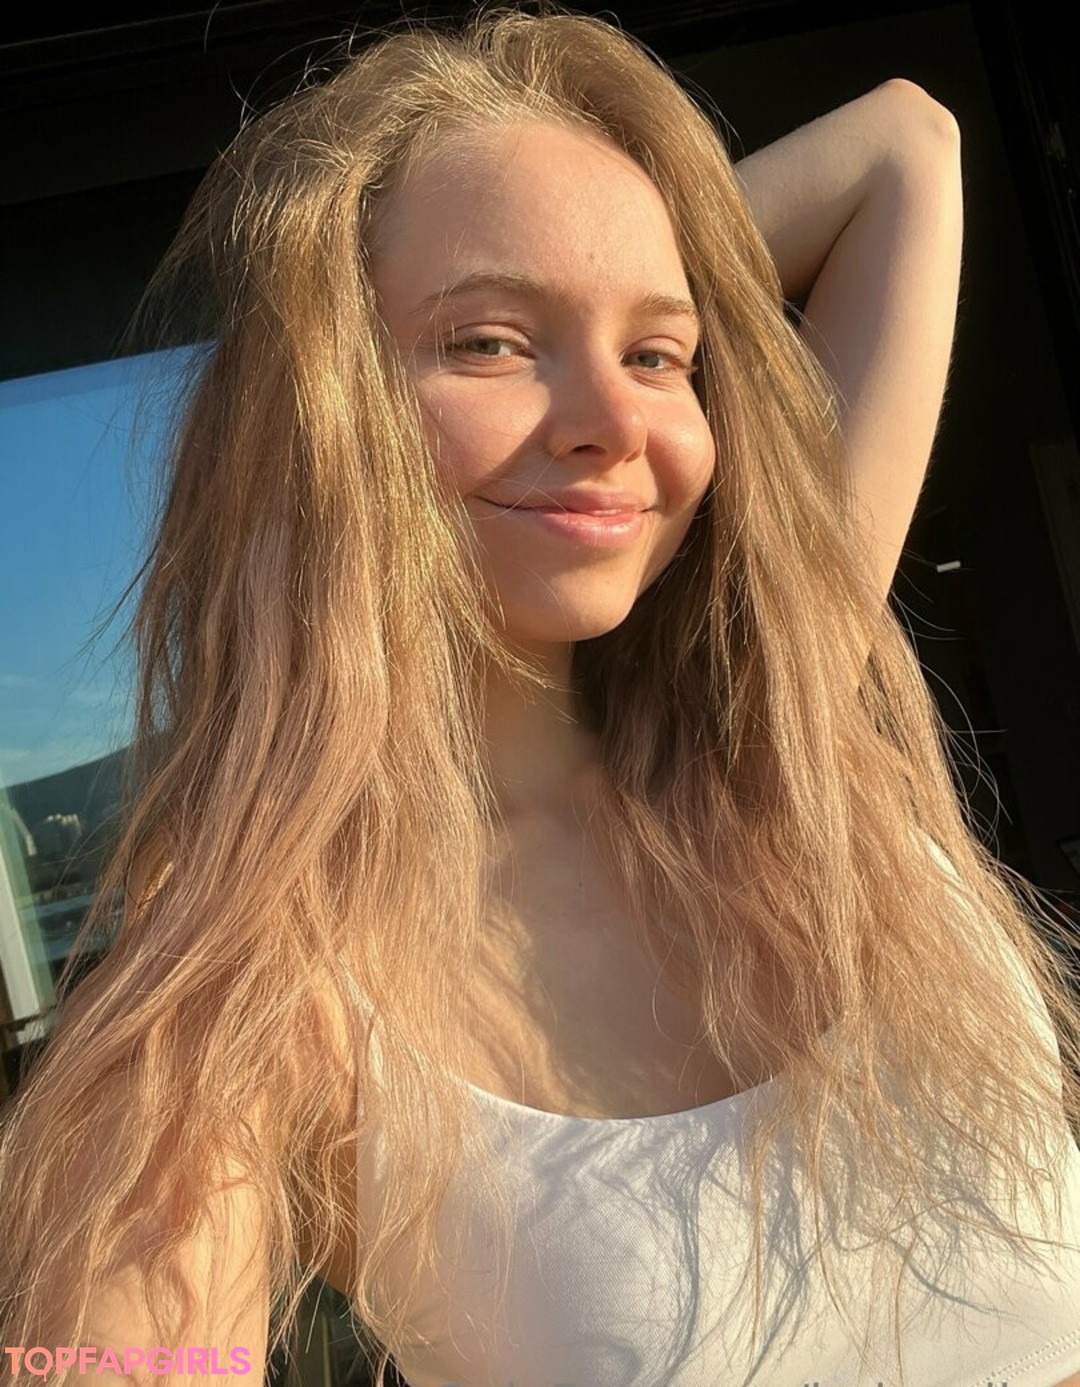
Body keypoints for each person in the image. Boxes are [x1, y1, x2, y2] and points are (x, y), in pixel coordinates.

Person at [3, 3, 1080, 1384]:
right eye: (487, 343)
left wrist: (604, 295)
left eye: (660, 357)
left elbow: (907, 147)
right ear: (327, 407)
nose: (617, 423)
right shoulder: (271, 997)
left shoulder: (778, 719)